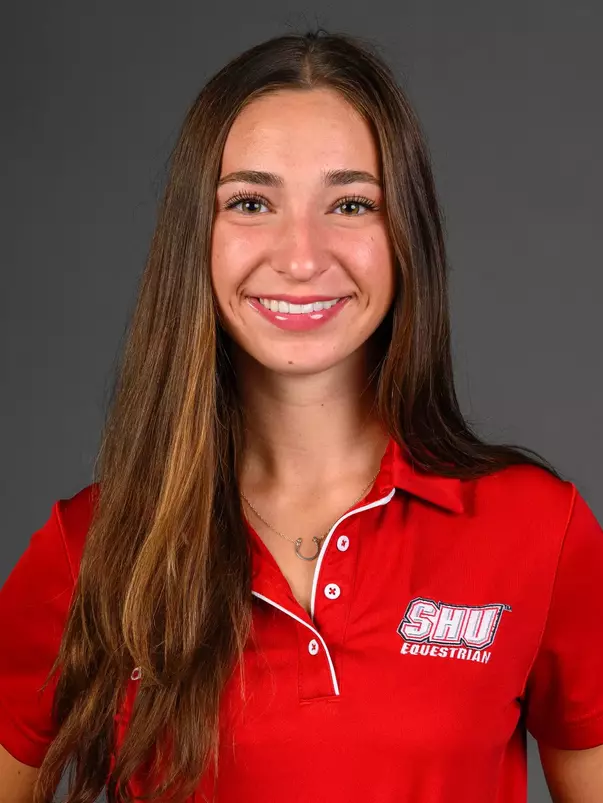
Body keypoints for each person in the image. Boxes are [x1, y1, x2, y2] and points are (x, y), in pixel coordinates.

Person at [0, 28, 601, 803]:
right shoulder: (95, 551)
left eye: (350, 203)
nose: (300, 254)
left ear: (403, 237)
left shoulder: (538, 531)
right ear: (198, 239)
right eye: (250, 202)